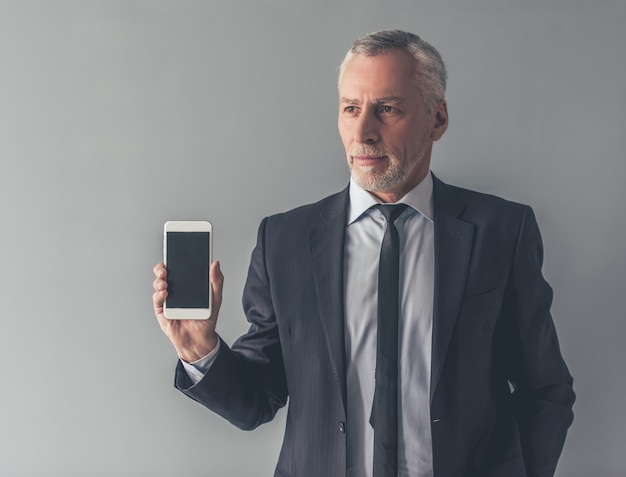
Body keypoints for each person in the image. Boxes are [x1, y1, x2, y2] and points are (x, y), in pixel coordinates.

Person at [152, 30, 575, 477]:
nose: (362, 131)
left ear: (437, 118)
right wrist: (201, 351)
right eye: (350, 108)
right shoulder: (285, 240)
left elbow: (545, 389)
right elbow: (257, 400)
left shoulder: (502, 232)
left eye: (387, 109)